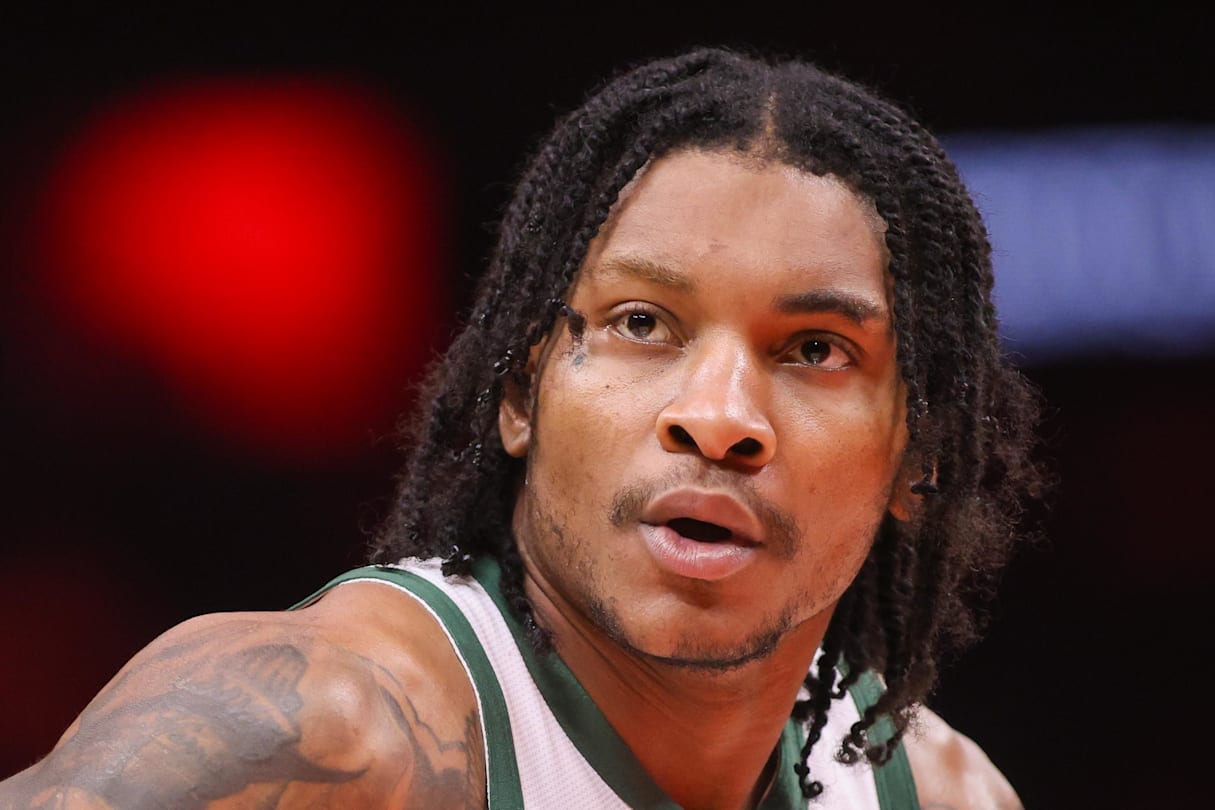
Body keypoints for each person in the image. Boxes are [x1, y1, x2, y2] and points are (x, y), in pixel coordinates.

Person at [0, 48, 1041, 809]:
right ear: (518, 395)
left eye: (814, 349)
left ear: (920, 457)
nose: (720, 420)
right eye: (643, 324)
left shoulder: (941, 795)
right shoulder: (316, 735)